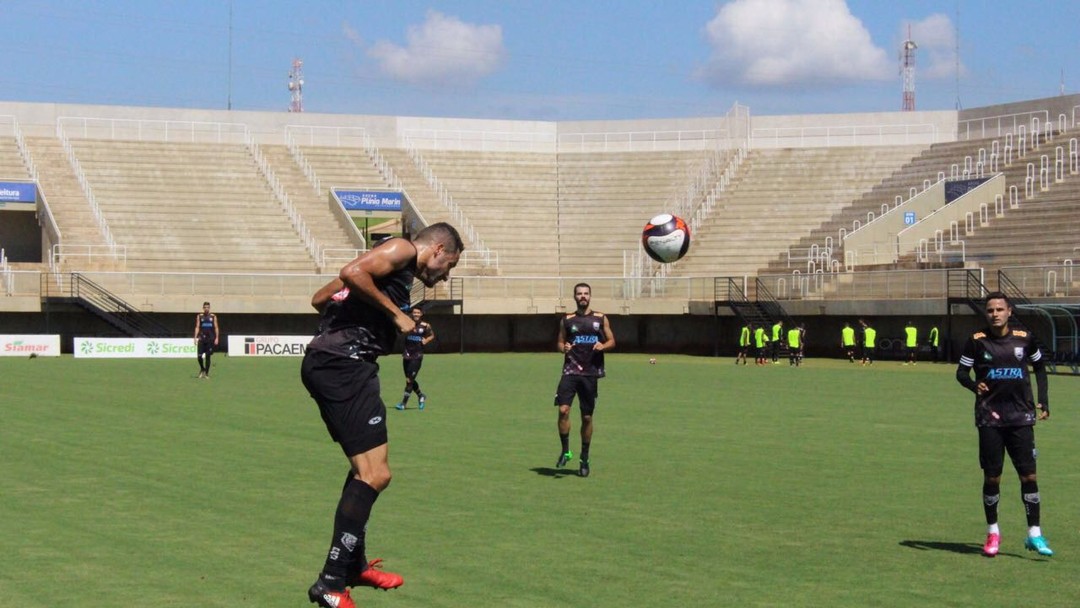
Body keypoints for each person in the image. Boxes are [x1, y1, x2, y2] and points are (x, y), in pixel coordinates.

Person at [300, 223, 463, 608]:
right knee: (376, 474)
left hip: (341, 363)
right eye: (450, 265)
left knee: (366, 471)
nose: (445, 275)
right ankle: (330, 582)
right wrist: (394, 315)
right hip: (345, 364)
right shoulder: (404, 249)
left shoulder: (395, 271)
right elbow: (350, 273)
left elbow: (321, 297)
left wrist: (368, 306)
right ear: (438, 249)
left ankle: (352, 564)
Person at [955, 291, 1052, 558]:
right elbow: (961, 373)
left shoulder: (1024, 339)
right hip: (989, 418)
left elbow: (1040, 368)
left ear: (1009, 311)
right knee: (992, 477)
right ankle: (993, 532)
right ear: (986, 314)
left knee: (1029, 476)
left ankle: (1034, 534)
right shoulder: (976, 342)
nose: (995, 314)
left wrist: (1043, 400)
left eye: (999, 309)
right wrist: (975, 385)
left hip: (1021, 417)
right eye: (990, 310)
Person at [554, 282, 615, 478]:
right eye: (579, 293)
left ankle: (584, 458)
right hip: (570, 371)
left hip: (590, 373)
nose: (583, 296)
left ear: (590, 296)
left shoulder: (600, 318)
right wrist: (562, 348)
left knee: (587, 417)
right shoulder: (567, 320)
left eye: (586, 293)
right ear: (574, 297)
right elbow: (559, 342)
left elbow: (612, 341)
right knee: (563, 410)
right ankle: (566, 451)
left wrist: (602, 346)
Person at [395, 306, 434, 411]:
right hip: (406, 354)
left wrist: (426, 340)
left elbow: (431, 335)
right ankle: (421, 396)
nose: (416, 314)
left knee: (409, 380)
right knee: (409, 379)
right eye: (414, 312)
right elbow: (400, 330)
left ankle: (403, 404)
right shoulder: (408, 323)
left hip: (417, 355)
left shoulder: (426, 326)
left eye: (418, 312)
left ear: (421, 314)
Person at [193, 301, 219, 379]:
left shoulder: (213, 316)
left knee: (208, 356)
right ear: (203, 308)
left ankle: (206, 374)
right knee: (199, 356)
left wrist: (217, 337)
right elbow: (197, 327)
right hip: (201, 338)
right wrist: (195, 337)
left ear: (209, 308)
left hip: (210, 339)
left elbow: (216, 327)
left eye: (208, 307)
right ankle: (202, 369)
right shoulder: (199, 316)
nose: (206, 309)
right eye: (205, 307)